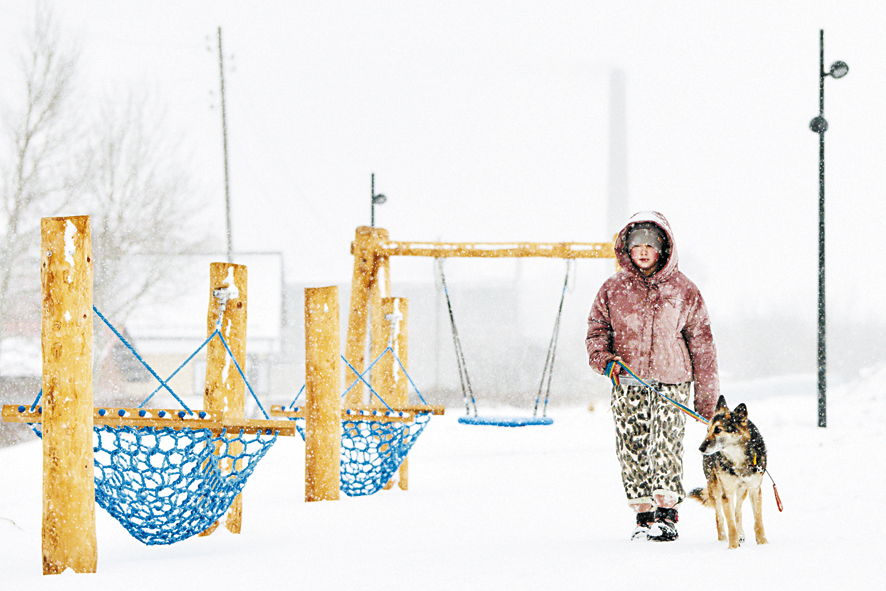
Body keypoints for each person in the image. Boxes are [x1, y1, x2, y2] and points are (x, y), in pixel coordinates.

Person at [586, 211, 719, 542]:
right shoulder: (612, 289)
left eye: (650, 244)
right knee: (632, 447)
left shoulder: (685, 291)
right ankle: (643, 516)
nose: (643, 251)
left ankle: (666, 515)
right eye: (636, 245)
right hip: (628, 383)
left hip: (672, 383)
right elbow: (596, 332)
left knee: (665, 445)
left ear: (664, 248)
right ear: (626, 249)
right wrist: (604, 360)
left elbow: (703, 347)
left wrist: (707, 402)